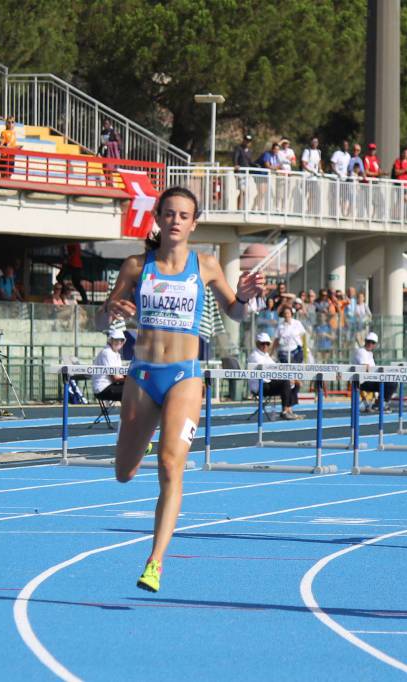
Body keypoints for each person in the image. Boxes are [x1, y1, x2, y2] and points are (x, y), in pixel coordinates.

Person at [95, 186, 263, 592]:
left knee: (172, 465)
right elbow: (103, 321)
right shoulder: (137, 266)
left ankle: (155, 561)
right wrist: (111, 312)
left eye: (183, 215)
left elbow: (236, 312)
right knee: (123, 473)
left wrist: (245, 297)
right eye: (168, 213)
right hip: (143, 375)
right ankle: (148, 436)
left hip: (185, 376)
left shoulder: (205, 265)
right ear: (158, 218)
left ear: (194, 223)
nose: (175, 220)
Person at [248, 332, 300, 419]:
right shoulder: (255, 356)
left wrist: (291, 378)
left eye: (267, 344)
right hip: (260, 386)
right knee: (285, 382)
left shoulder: (265, 356)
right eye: (262, 343)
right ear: (257, 343)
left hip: (268, 382)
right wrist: (284, 377)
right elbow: (268, 372)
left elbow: (276, 368)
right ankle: (284, 411)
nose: (265, 346)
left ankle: (288, 409)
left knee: (295, 383)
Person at [351, 332, 396, 413]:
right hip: (362, 381)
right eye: (368, 341)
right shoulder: (361, 351)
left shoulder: (370, 354)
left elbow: (372, 370)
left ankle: (380, 403)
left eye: (373, 342)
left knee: (393, 381)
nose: (370, 344)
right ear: (365, 341)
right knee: (390, 383)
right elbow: (365, 367)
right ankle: (379, 403)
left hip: (371, 379)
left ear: (375, 344)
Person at [92, 329, 126, 402]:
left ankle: (129, 412)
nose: (119, 342)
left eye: (121, 340)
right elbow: (115, 378)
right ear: (111, 340)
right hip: (102, 388)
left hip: (109, 385)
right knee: (133, 391)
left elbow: (119, 377)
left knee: (133, 389)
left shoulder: (116, 354)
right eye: (116, 340)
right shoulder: (107, 353)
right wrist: (132, 380)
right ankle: (129, 413)